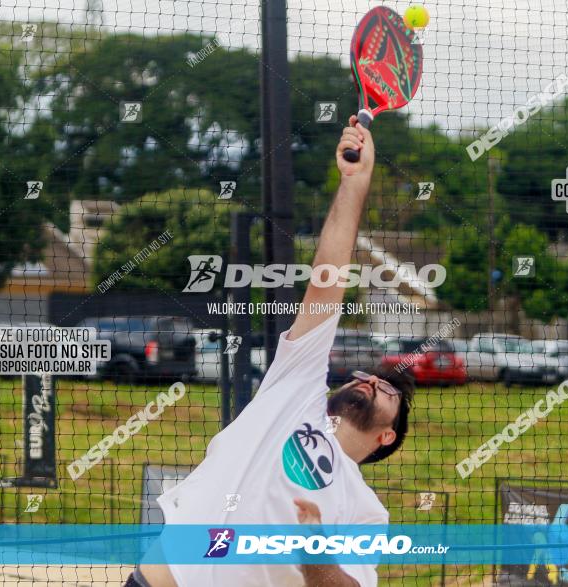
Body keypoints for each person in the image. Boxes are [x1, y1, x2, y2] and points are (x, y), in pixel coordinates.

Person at [125, 115, 415, 587]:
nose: (369, 380)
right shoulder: (296, 388)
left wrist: (315, 551)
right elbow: (327, 279)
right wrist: (354, 184)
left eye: (386, 390)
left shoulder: (365, 511)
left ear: (388, 437)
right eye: (366, 376)